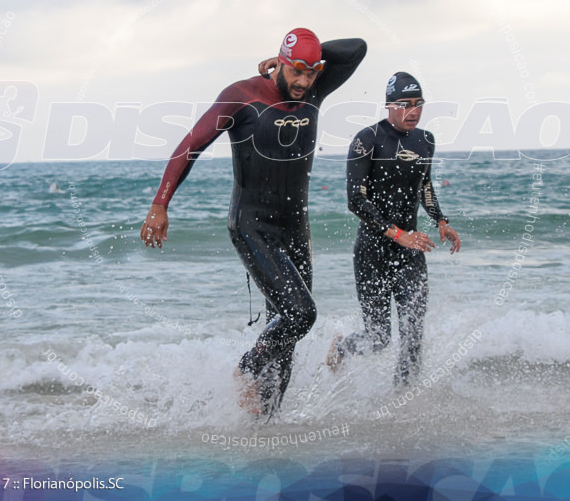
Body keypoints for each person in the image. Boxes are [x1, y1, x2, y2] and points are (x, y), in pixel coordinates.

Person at [140, 27, 367, 417]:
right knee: (301, 314)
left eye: (311, 72)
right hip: (252, 225)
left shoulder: (313, 88)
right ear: (281, 64)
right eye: (296, 71)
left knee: (287, 333)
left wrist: (305, 58)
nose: (303, 81)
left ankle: (265, 423)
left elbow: (357, 49)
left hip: (296, 227)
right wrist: (161, 204)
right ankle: (246, 368)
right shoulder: (242, 95)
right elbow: (189, 146)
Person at [327, 72, 461, 386]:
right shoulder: (367, 139)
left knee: (413, 333)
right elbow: (356, 200)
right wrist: (398, 234)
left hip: (411, 253)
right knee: (379, 338)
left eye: (419, 104)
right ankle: (342, 347)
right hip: (373, 253)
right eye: (405, 104)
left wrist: (441, 220)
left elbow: (423, 185)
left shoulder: (425, 140)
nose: (413, 111)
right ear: (389, 105)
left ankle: (403, 404)